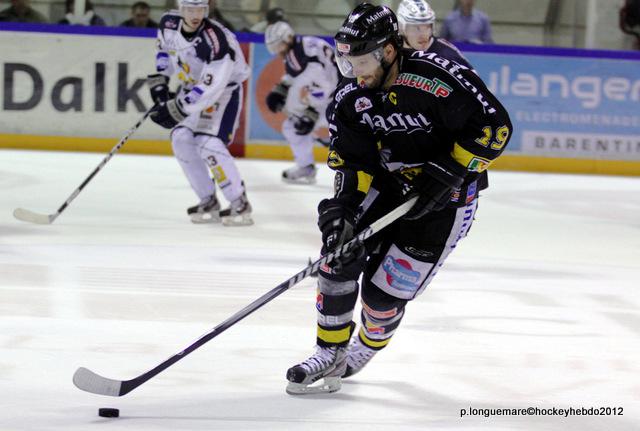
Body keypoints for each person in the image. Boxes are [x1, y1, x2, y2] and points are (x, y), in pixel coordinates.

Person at [285, 3, 511, 395]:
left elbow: (495, 127)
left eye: (362, 60)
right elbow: (354, 162)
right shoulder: (350, 98)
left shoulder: (439, 77)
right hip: (388, 188)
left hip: (445, 202)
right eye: (347, 60)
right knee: (339, 253)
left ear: (389, 51)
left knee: (381, 297)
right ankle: (329, 350)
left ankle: (367, 344)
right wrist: (342, 209)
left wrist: (450, 170)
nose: (354, 71)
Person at [147, 0, 253, 226]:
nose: (195, 15)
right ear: (181, 8)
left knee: (207, 142)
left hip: (223, 92)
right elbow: (163, 51)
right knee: (180, 138)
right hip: (191, 89)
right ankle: (208, 199)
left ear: (206, 10)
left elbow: (211, 87)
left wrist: (178, 107)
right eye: (189, 9)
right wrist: (160, 83)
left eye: (200, 9)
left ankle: (239, 202)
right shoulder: (168, 24)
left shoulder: (216, 40)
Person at [264, 20, 339, 184]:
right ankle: (307, 165)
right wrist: (282, 88)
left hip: (338, 101)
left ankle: (311, 163)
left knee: (292, 126)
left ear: (288, 38)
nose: (277, 51)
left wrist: (311, 111)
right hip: (334, 96)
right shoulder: (300, 47)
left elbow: (325, 85)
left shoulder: (301, 54)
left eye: (279, 45)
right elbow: (298, 75)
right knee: (293, 125)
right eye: (274, 47)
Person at [397, 0, 473, 69]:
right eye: (416, 28)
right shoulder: (392, 50)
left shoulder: (448, 56)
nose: (423, 35)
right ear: (401, 28)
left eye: (427, 27)